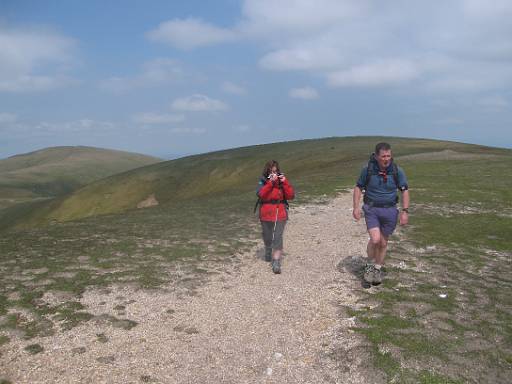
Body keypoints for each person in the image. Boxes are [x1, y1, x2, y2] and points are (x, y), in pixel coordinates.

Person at [352, 142, 410, 285]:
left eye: (388, 156)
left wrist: (405, 211)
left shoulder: (397, 171)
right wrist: (356, 207)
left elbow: (405, 191)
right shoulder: (368, 170)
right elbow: (358, 188)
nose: (386, 159)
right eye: (383, 156)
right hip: (372, 209)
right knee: (376, 239)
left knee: (383, 243)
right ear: (377, 156)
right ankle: (369, 265)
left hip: (390, 210)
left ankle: (377, 268)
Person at [256, 160, 295, 274]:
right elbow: (261, 194)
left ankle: (276, 261)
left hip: (280, 211)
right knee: (267, 236)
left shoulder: (281, 181)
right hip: (266, 213)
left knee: (278, 236)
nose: (274, 172)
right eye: (271, 170)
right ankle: (268, 248)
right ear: (267, 171)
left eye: (276, 170)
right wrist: (270, 183)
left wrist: (285, 182)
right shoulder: (263, 181)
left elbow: (291, 195)